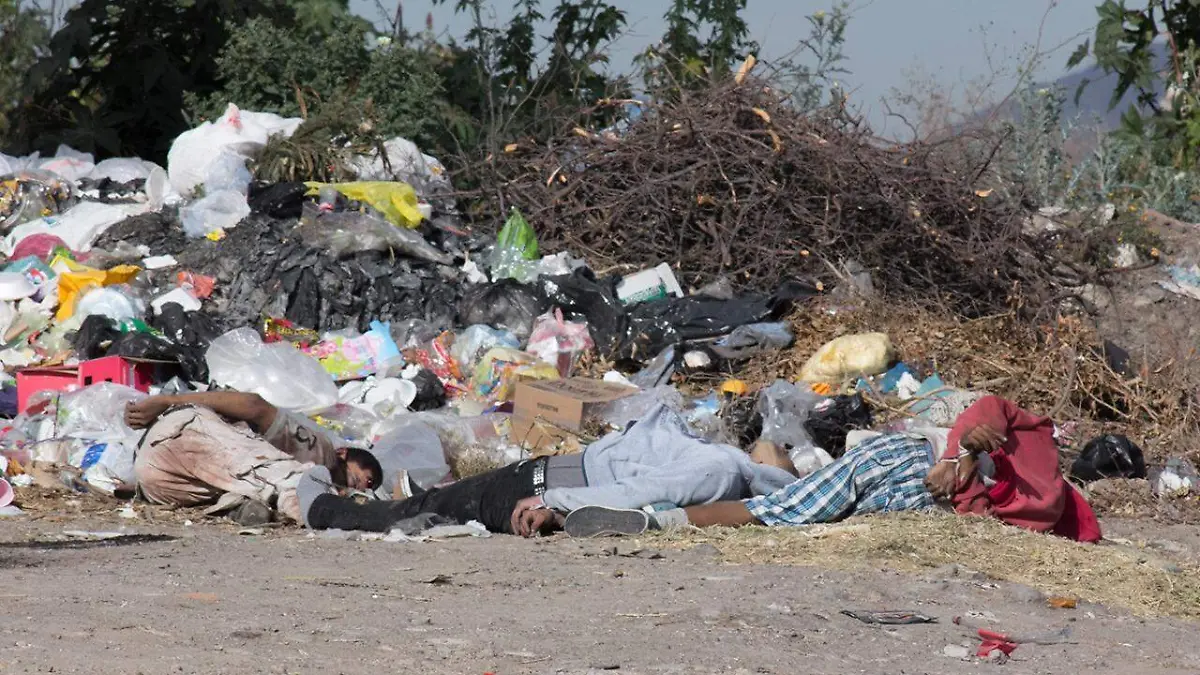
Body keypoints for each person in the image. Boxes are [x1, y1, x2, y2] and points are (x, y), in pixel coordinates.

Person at [565, 396, 1102, 543]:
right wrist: (956, 457)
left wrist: (957, 455)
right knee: (787, 512)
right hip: (916, 482)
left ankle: (660, 520)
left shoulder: (1035, 454)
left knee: (788, 512)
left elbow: (985, 417)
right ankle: (660, 522)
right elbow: (984, 424)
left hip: (906, 472)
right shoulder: (1045, 498)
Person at [296, 404, 799, 536]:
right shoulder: (723, 463)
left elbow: (644, 489)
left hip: (542, 487)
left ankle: (324, 509)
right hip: (544, 476)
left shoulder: (719, 470)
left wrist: (556, 505)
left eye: (772, 455)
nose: (767, 447)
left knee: (421, 511)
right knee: (432, 506)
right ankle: (345, 507)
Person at [125, 391, 383, 524]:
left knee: (244, 490)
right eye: (363, 480)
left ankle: (240, 508)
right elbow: (255, 404)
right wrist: (168, 401)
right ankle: (352, 517)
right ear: (343, 454)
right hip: (186, 433)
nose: (361, 487)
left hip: (161, 484)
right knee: (292, 479)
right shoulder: (323, 452)